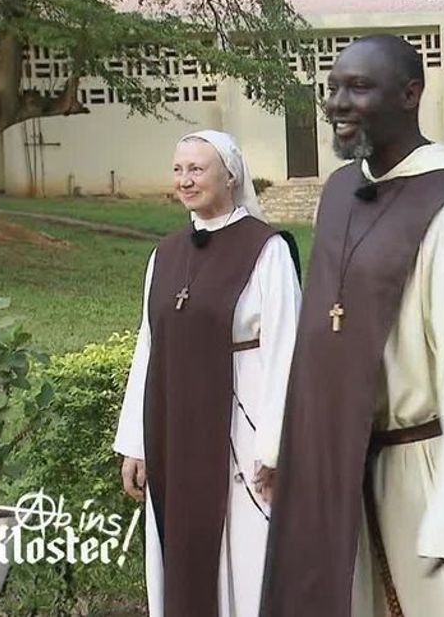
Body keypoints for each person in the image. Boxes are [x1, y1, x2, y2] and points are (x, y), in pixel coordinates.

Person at [256, 35, 444, 617]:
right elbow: (320, 330)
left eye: (359, 87)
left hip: (425, 474)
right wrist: (286, 446)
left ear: (411, 94)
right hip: (340, 466)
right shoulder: (339, 193)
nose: (338, 102)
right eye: (332, 87)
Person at [113, 130, 302, 617]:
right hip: (177, 433)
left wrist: (276, 446)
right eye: (178, 170)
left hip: (243, 431)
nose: (185, 180)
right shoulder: (165, 254)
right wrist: (135, 442)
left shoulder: (267, 249)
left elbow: (288, 347)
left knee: (247, 554)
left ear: (231, 175)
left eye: (197, 169)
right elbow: (148, 345)